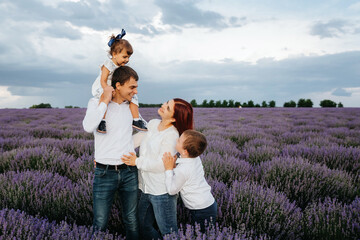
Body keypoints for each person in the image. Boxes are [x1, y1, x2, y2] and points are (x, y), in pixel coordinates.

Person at [121, 99, 193, 240]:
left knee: (169, 232)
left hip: (162, 192)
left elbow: (161, 164)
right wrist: (110, 155)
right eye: (166, 103)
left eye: (167, 108)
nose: (162, 106)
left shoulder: (172, 135)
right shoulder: (153, 123)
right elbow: (135, 140)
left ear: (173, 118)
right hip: (146, 188)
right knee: (143, 225)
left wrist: (136, 161)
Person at [83, 66, 140, 240]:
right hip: (104, 172)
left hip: (129, 172)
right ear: (118, 85)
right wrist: (104, 101)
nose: (135, 91)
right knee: (100, 221)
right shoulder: (96, 103)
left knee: (131, 220)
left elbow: (143, 131)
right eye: (132, 87)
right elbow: (88, 126)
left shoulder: (129, 107)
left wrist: (130, 150)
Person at [91, 29, 147, 133]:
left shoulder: (125, 66)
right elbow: (103, 81)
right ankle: (101, 121)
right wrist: (107, 90)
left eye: (129, 57)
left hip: (117, 87)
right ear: (114, 54)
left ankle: (136, 119)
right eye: (125, 57)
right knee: (105, 98)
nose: (127, 60)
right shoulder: (108, 65)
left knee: (134, 97)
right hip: (105, 86)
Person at [162, 130, 217, 232]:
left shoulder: (183, 170)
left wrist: (169, 169)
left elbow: (172, 190)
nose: (176, 140)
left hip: (201, 210)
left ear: (185, 151)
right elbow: (186, 166)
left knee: (202, 234)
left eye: (179, 141)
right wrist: (175, 163)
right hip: (207, 204)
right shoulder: (195, 158)